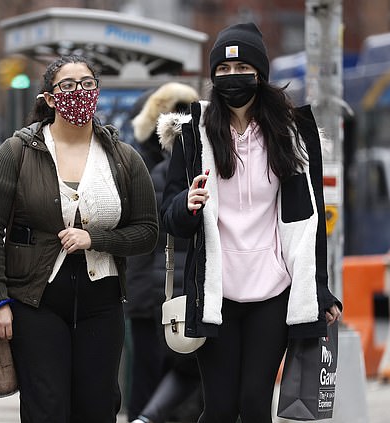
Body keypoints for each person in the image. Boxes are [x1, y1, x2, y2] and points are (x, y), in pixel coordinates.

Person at [157, 23, 343, 423]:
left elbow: (308, 219)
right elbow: (169, 217)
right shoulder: (194, 134)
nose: (231, 77)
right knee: (221, 407)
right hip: (215, 291)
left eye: (241, 67)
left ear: (259, 72)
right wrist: (187, 204)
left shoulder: (290, 134)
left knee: (256, 404)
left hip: (272, 291)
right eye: (222, 70)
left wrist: (321, 289)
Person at [0, 54, 158, 423]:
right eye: (68, 85)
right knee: (46, 406)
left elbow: (147, 232)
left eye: (88, 84)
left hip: (102, 301)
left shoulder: (123, 158)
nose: (80, 92)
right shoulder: (18, 152)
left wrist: (96, 238)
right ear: (49, 98)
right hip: (35, 301)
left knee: (97, 406)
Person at [125, 82, 203, 423]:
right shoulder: (182, 173)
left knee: (145, 375)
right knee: (184, 372)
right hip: (174, 293)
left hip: (144, 292)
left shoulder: (141, 167)